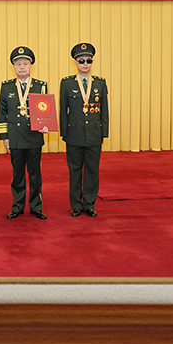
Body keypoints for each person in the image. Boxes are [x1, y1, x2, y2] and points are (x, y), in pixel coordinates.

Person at [0, 46, 49, 220]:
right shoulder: (6, 87)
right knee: (17, 174)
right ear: (13, 66)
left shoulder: (40, 86)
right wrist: (5, 136)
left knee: (35, 174)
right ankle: (17, 206)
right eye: (18, 64)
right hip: (16, 137)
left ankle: (36, 206)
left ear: (31, 66)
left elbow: (46, 109)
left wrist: (46, 125)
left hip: (34, 136)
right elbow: (2, 112)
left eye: (25, 64)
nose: (21, 67)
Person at [59, 42, 109, 217]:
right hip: (74, 134)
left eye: (89, 60)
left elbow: (104, 110)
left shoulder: (100, 83)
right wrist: (64, 133)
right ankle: (76, 204)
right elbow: (63, 110)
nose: (85, 64)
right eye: (81, 60)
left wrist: (104, 132)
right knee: (74, 170)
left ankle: (89, 203)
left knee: (92, 170)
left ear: (92, 62)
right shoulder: (66, 83)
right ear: (75, 62)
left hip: (94, 134)